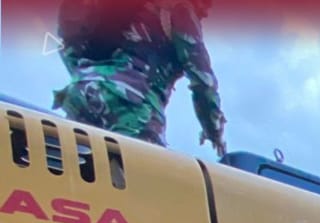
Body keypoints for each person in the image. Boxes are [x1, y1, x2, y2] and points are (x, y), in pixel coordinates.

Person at [52, 0, 227, 157]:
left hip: (81, 93)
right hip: (131, 105)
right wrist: (213, 130)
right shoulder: (179, 9)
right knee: (140, 177)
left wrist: (91, 78)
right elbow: (203, 79)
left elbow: (69, 46)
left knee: (78, 172)